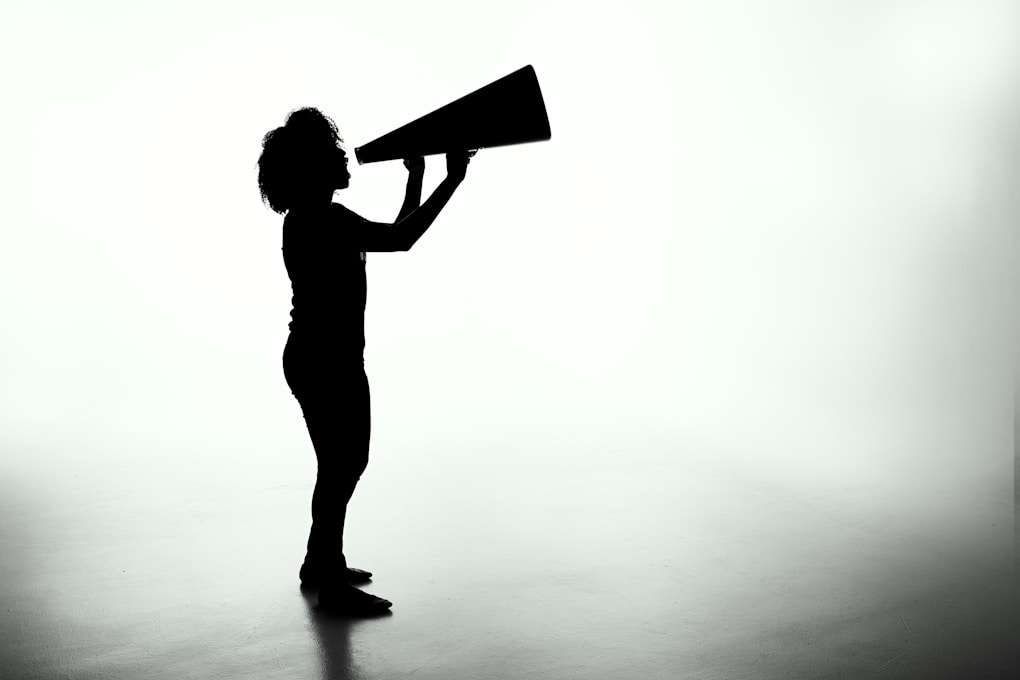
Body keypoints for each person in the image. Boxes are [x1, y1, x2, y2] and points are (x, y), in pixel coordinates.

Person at [257, 107, 472, 615]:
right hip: (326, 362)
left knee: (340, 466)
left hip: (317, 358)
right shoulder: (324, 220)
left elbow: (394, 232)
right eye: (334, 153)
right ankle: (328, 580)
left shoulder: (311, 219)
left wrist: (417, 177)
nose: (345, 158)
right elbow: (402, 239)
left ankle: (320, 562)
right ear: (315, 170)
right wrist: (452, 179)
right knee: (341, 466)